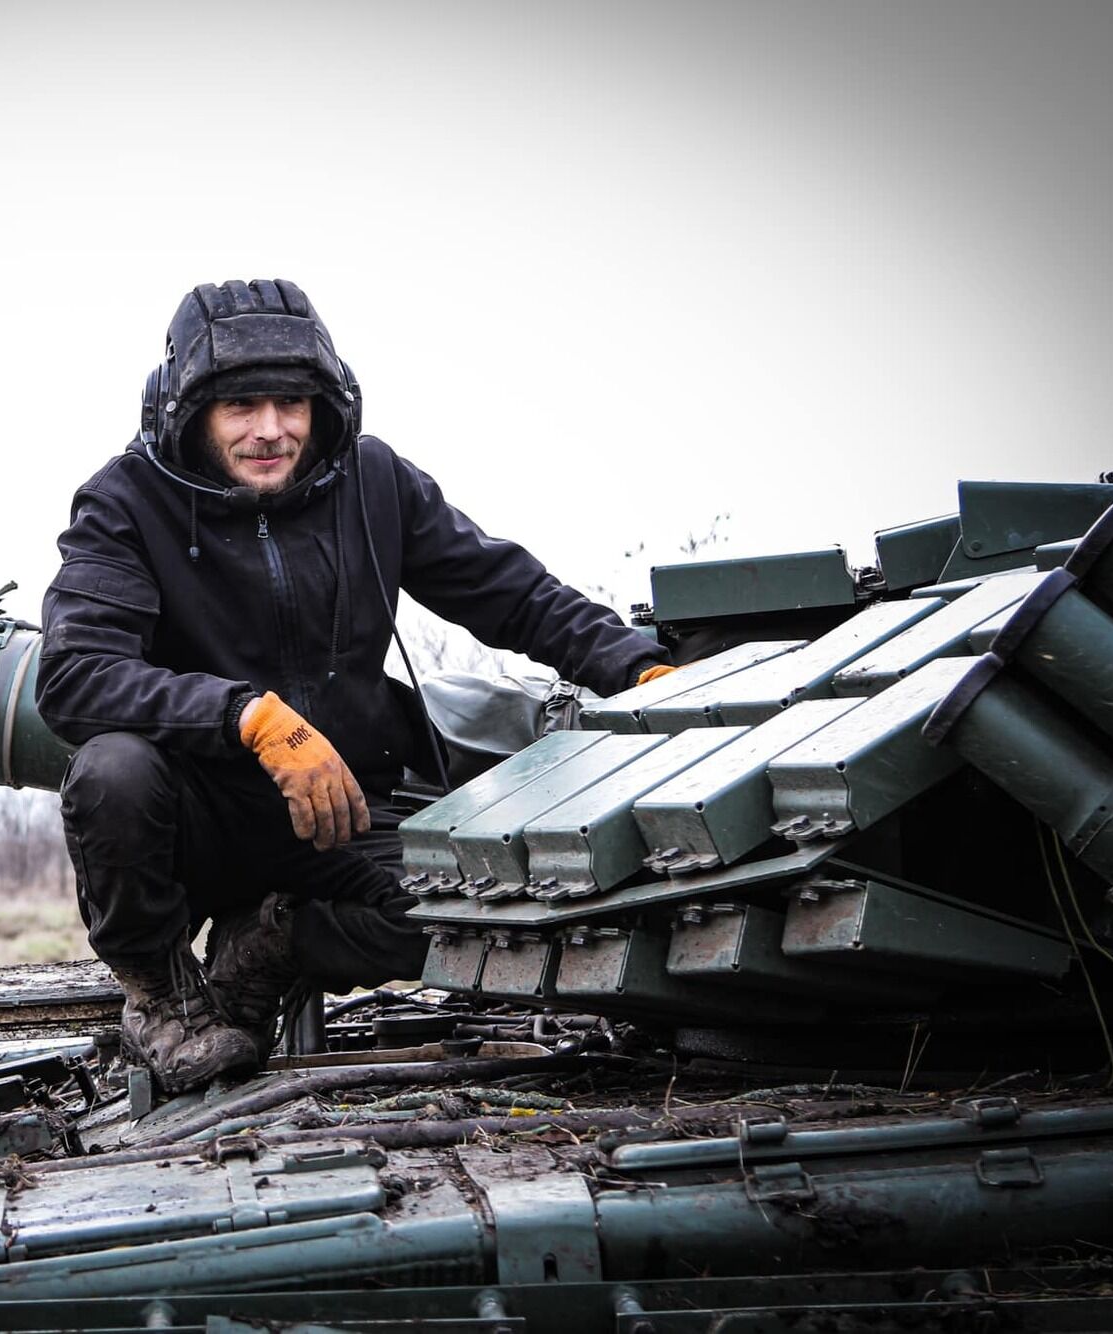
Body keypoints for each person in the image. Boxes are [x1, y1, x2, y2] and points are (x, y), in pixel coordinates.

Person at [36, 279, 670, 1092]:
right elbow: (76, 675)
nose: (271, 430)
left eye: (291, 403)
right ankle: (162, 996)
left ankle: (273, 944)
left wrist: (642, 668)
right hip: (196, 813)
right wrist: (251, 718)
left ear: (326, 402)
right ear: (186, 412)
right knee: (110, 773)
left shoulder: (373, 482)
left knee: (465, 917)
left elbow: (511, 594)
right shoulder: (127, 501)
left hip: (339, 808)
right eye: (241, 407)